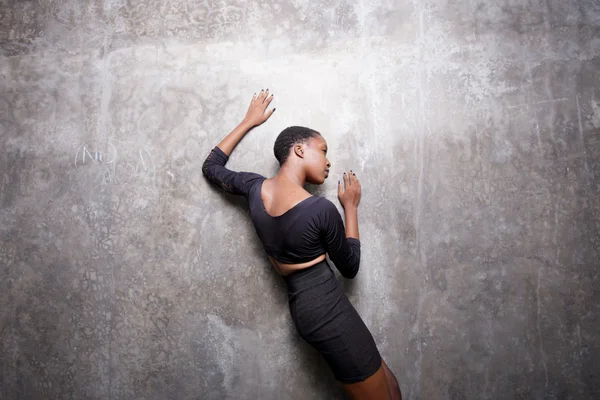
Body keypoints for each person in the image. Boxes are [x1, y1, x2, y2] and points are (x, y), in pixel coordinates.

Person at [202, 89, 402, 400]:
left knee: (390, 386)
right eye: (322, 150)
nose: (328, 161)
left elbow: (212, 167)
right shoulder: (320, 210)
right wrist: (350, 207)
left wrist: (247, 121)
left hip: (307, 308)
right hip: (328, 310)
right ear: (299, 150)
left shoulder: (255, 189)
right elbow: (349, 267)